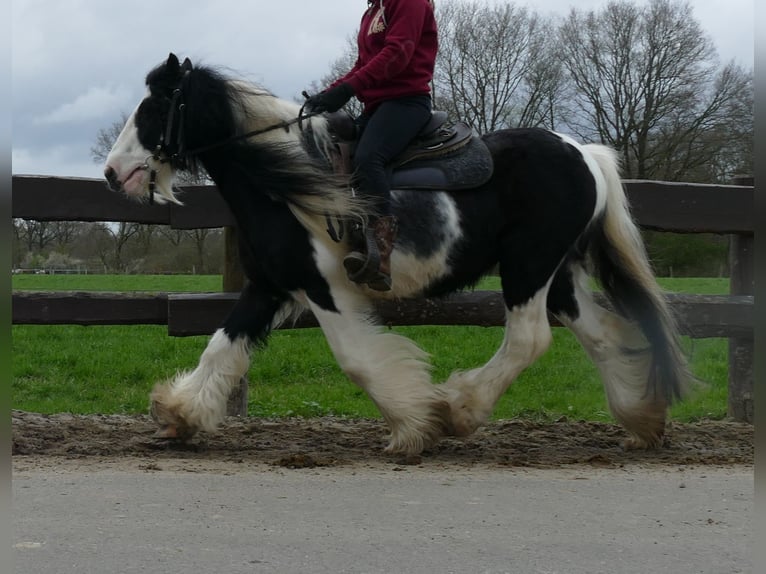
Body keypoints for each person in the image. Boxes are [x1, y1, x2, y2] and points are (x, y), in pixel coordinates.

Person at [306, 0, 438, 291]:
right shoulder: (373, 10)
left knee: (369, 158)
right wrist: (328, 94)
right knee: (336, 152)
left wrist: (347, 90)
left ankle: (381, 258)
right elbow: (363, 65)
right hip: (377, 107)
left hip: (407, 102)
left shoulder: (409, 3)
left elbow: (398, 54)